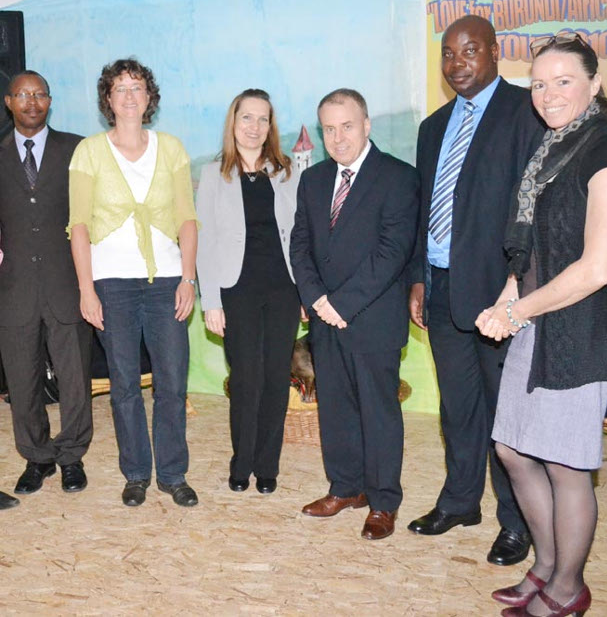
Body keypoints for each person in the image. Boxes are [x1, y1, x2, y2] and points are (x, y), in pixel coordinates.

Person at [477, 33, 607, 617]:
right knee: (514, 450)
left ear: (595, 84)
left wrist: (517, 311)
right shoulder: (550, 151)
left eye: (563, 81)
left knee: (567, 464)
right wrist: (505, 301)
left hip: (581, 330)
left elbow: (596, 267)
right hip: (537, 321)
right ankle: (545, 566)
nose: (548, 94)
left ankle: (569, 589)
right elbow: (532, 251)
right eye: (539, 84)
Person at [407, 15, 545, 565]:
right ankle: (461, 501)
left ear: (494, 52)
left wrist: (516, 290)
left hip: (499, 298)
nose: (457, 62)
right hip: (441, 289)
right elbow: (424, 210)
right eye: (447, 53)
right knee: (458, 408)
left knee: (505, 417)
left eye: (469, 51)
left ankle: (517, 523)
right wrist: (418, 276)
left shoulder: (525, 115)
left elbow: (530, 212)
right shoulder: (431, 128)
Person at [68, 59, 199, 508]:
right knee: (123, 384)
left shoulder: (173, 148)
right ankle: (137, 474)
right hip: (111, 285)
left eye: (137, 87)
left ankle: (173, 474)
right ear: (108, 99)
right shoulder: (88, 152)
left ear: (149, 97)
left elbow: (187, 218)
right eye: (119, 88)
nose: (128, 95)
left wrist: (188, 278)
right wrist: (86, 289)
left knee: (172, 382)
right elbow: (79, 225)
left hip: (166, 281)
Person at [291, 89, 419, 540]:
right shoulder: (313, 180)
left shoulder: (399, 177)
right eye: (328, 128)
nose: (338, 137)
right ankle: (345, 488)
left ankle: (383, 501)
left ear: (366, 125)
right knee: (337, 409)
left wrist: (340, 303)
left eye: (347, 126)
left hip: (372, 318)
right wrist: (315, 296)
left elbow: (392, 252)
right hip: (325, 318)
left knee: (379, 411)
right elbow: (300, 244)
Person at [196, 89, 301, 494]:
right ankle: (241, 463)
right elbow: (204, 241)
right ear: (233, 122)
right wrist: (212, 301)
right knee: (245, 379)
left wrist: (306, 292)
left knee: (276, 377)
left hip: (283, 290)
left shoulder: (288, 171)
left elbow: (301, 237)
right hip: (235, 289)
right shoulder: (213, 174)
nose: (254, 127)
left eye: (263, 119)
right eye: (247, 118)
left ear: (270, 126)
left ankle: (267, 465)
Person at [0, 70, 92, 496]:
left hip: (67, 284)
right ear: (8, 102)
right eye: (23, 95)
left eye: (39, 95)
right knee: (22, 379)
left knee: (74, 377)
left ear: (50, 101)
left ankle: (72, 457)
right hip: (13, 288)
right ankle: (37, 457)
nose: (31, 102)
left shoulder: (76, 150)